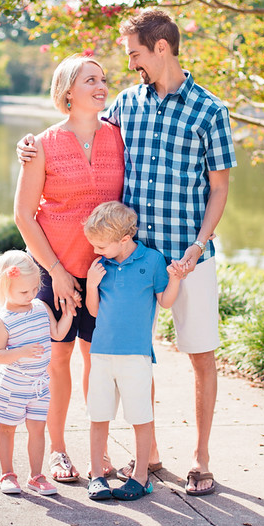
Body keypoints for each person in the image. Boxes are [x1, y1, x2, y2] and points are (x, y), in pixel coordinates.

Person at [18, 9, 236, 494]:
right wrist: (27, 145)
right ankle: (147, 453)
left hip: (186, 256)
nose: (129, 64)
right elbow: (73, 125)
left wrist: (199, 246)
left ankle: (200, 458)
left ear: (161, 48)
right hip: (126, 261)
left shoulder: (210, 111)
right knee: (134, 353)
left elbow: (220, 189)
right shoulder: (125, 106)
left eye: (134, 53)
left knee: (198, 354)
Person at [13, 54, 125, 483]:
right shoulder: (41, 144)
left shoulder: (119, 136)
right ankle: (58, 451)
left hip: (105, 272)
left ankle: (101, 450)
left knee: (99, 362)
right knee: (57, 359)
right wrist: (57, 273)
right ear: (67, 92)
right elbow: (24, 215)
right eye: (90, 80)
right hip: (54, 270)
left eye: (103, 79)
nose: (101, 85)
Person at [83, 201, 182, 501]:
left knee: (140, 416)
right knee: (98, 415)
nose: (96, 251)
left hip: (136, 356)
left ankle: (141, 476)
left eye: (101, 245)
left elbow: (165, 301)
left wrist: (175, 277)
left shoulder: (151, 261)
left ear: (124, 239)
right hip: (101, 354)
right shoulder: (101, 266)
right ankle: (97, 474)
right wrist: (90, 284)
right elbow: (94, 310)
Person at [0, 250, 74, 496]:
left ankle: (36, 476)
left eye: (35, 289)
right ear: (5, 288)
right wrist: (21, 351)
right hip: (13, 385)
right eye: (23, 292)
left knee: (38, 430)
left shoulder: (40, 307)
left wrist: (68, 314)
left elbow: (57, 333)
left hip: (39, 386)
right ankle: (7, 474)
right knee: (7, 428)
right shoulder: (3, 321)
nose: (31, 296)